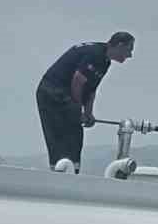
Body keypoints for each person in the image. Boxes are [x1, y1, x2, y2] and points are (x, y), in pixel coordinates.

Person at [35, 32, 134, 171]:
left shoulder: (105, 61)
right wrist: (78, 109)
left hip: (66, 95)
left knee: (75, 135)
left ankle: (72, 169)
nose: (130, 55)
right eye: (129, 50)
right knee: (60, 135)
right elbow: (78, 81)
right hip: (52, 92)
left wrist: (88, 114)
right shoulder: (95, 54)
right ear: (120, 45)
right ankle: (60, 170)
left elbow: (91, 89)